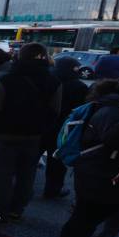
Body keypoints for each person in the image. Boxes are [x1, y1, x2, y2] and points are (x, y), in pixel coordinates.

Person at [54, 73, 119, 237]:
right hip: (97, 172)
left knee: (92, 218)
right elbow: (113, 141)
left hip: (108, 173)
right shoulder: (113, 111)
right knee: (84, 217)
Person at [0, 42, 62, 221]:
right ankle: (17, 209)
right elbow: (55, 111)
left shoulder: (5, 78)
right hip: (34, 137)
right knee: (27, 174)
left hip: (4, 135)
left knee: (2, 175)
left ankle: (0, 209)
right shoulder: (53, 81)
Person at [42, 57, 89, 199]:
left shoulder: (48, 80)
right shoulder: (79, 86)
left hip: (43, 125)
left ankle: (24, 185)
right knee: (57, 161)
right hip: (63, 128)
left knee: (32, 159)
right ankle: (53, 189)